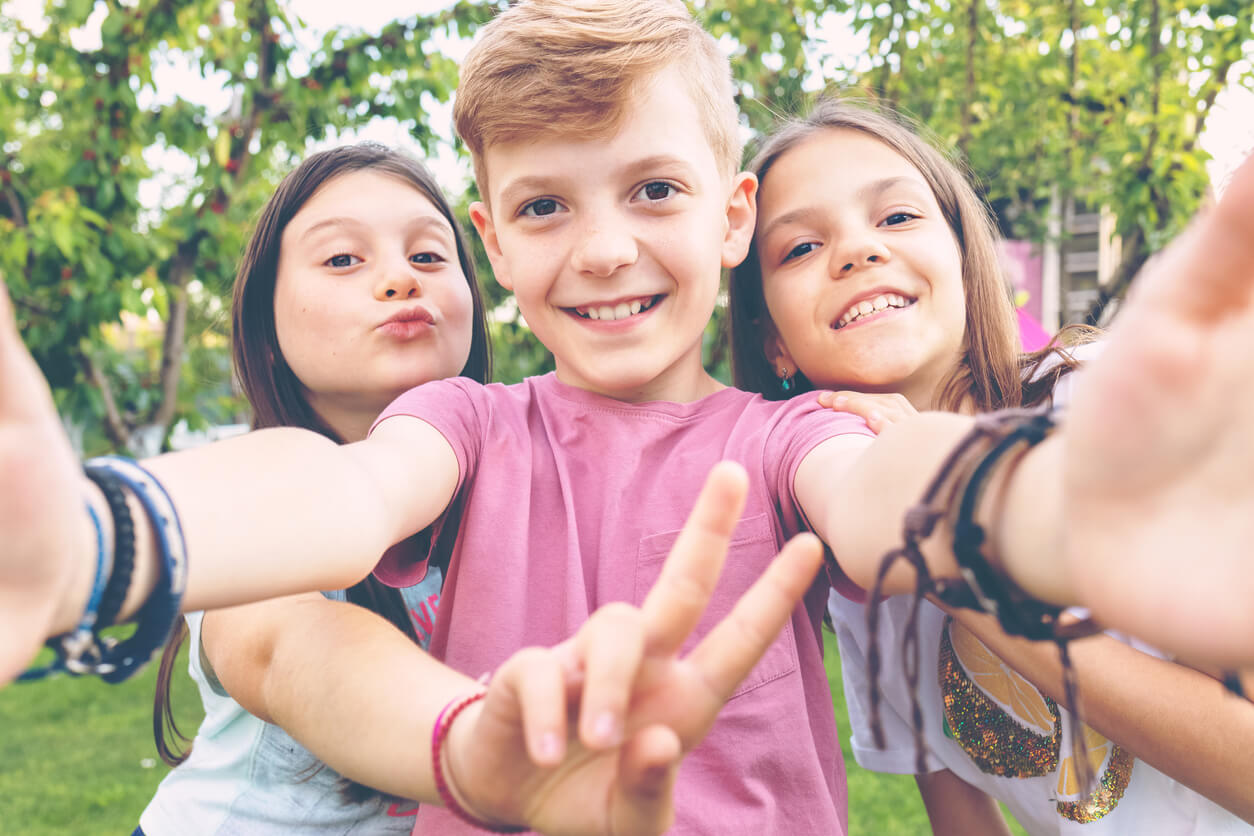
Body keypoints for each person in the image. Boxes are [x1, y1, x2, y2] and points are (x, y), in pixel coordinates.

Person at [2, 0, 1254, 832]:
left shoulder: (783, 434)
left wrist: (1054, 497)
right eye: (546, 207)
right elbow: (340, 493)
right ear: (494, 242)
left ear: (730, 214)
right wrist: (106, 535)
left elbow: (888, 492)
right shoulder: (465, 422)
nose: (603, 249)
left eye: (653, 189)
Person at [728, 98, 1254, 832]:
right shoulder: (850, 566)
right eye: (800, 248)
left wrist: (956, 570)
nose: (856, 250)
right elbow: (959, 813)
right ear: (774, 342)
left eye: (897, 216)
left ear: (962, 254)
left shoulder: (1098, 407)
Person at [138, 143, 493, 834]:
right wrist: (488, 747)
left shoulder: (519, 485)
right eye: (342, 259)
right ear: (267, 330)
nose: (399, 278)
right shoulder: (256, 497)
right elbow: (284, 652)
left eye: (427, 255)